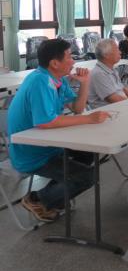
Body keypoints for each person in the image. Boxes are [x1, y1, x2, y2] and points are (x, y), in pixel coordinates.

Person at [8, 39, 109, 222]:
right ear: (55, 63)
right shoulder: (40, 81)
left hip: (50, 144)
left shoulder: (58, 79)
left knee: (89, 154)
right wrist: (88, 119)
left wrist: (85, 83)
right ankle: (37, 199)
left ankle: (57, 194)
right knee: (88, 176)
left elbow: (77, 108)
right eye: (70, 56)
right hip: (33, 153)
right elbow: (46, 122)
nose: (73, 60)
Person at [88, 39, 128, 108]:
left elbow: (122, 88)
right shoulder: (99, 73)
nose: (120, 52)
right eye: (116, 49)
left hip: (121, 105)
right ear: (106, 55)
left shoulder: (112, 69)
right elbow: (113, 99)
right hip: (109, 110)